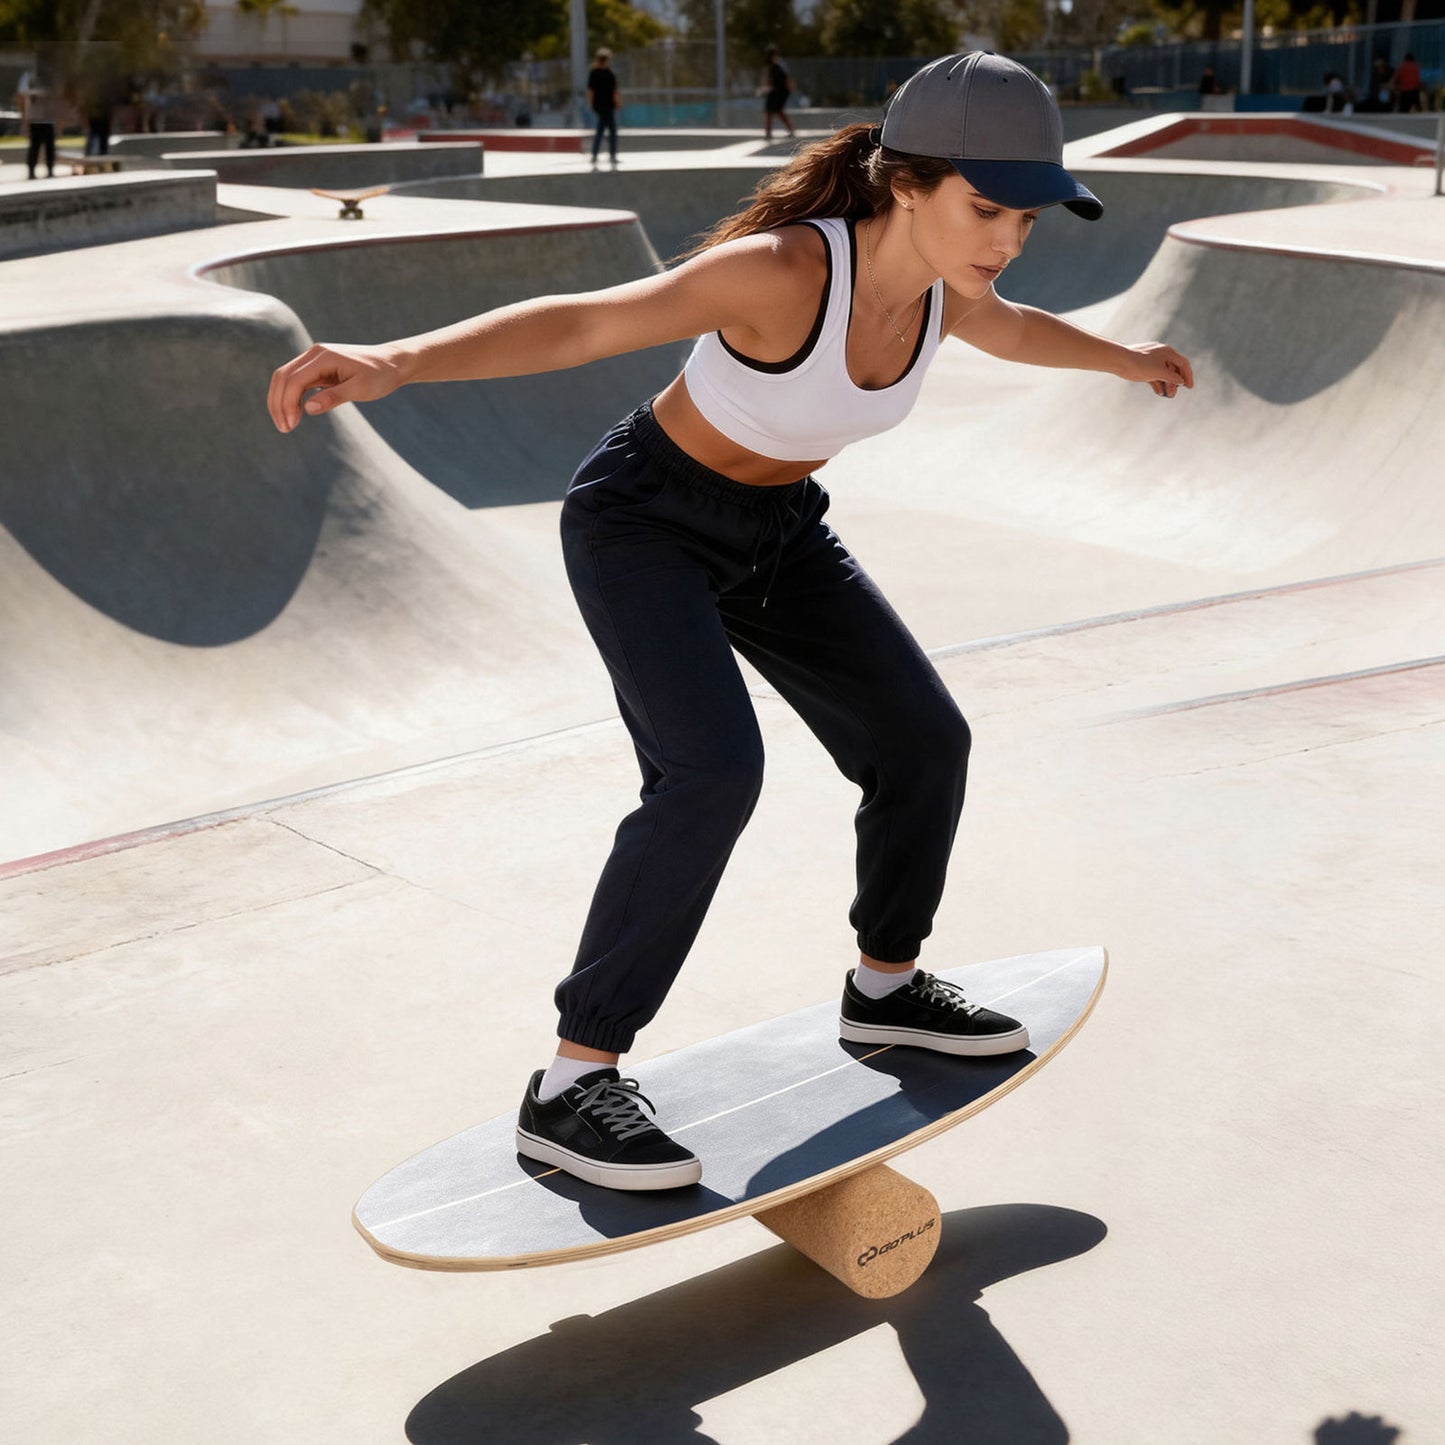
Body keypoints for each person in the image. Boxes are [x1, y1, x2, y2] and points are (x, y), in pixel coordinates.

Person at [267, 52, 1193, 1194]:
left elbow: (1008, 330)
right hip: (643, 521)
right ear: (905, 183)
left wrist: (1126, 358)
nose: (1003, 241)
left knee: (921, 741)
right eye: (985, 208)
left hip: (778, 532)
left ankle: (886, 989)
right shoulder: (783, 272)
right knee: (709, 773)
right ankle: (572, 1081)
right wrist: (397, 359)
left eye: (1026, 219)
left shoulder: (950, 288)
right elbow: (586, 323)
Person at [17, 70, 56, 180]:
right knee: (35, 146)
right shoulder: (28, 77)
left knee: (50, 147)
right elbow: (21, 98)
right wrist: (24, 120)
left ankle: (50, 170)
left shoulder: (50, 76)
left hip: (48, 118)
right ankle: (31, 172)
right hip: (34, 119)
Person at [587, 48, 620, 167]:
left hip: (599, 105)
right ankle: (611, 154)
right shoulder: (609, 74)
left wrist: (591, 103)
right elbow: (614, 92)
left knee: (601, 129)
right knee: (611, 130)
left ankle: (595, 154)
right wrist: (617, 103)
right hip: (607, 105)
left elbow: (590, 91)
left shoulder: (594, 73)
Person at [764, 46, 796, 140]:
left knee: (778, 111)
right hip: (774, 90)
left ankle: (790, 130)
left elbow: (787, 77)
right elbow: (770, 79)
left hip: (781, 91)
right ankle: (768, 133)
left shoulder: (780, 63)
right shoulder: (771, 65)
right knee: (769, 111)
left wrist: (789, 87)